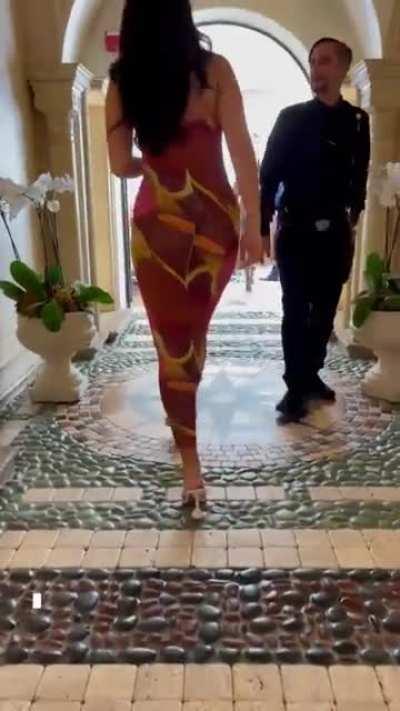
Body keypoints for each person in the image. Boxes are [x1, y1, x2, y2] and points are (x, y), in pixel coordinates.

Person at [106, 0, 263, 518]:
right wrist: (255, 226)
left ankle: (190, 468)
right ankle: (185, 420)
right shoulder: (215, 71)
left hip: (157, 226)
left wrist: (155, 165)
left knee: (171, 345)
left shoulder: (123, 82)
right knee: (193, 335)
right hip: (216, 223)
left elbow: (119, 164)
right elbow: (242, 154)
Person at [260, 37, 370, 422]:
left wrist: (353, 216)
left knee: (324, 312)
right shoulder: (291, 118)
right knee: (294, 309)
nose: (316, 69)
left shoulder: (358, 121)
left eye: (324, 61)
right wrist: (262, 228)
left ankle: (311, 375)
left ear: (341, 68)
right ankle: (295, 386)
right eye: (312, 62)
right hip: (295, 230)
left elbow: (360, 175)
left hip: (335, 234)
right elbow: (268, 175)